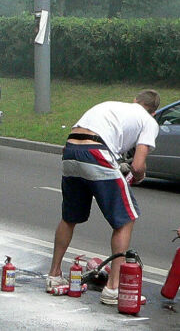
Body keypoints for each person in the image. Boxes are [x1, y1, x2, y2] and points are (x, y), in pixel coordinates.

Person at [46, 89, 160, 305]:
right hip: (97, 153)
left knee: (69, 218)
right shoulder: (149, 121)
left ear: (135, 100)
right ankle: (113, 288)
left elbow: (77, 141)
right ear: (153, 112)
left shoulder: (111, 105)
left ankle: (53, 275)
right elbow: (137, 165)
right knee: (126, 219)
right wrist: (139, 173)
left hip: (71, 151)